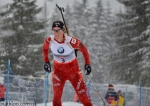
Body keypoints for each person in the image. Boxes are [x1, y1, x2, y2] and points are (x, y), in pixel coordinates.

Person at [42, 20, 93, 106]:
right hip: (58, 73)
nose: (56, 33)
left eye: (58, 30)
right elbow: (44, 48)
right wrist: (46, 62)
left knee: (83, 97)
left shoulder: (71, 41)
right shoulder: (50, 40)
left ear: (63, 31)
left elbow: (84, 50)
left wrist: (87, 64)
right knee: (56, 98)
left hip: (74, 72)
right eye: (54, 30)